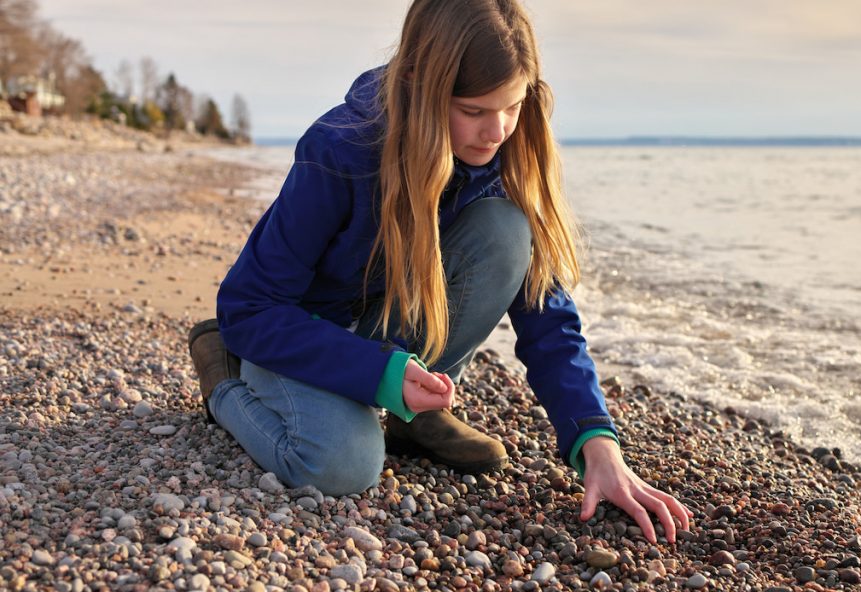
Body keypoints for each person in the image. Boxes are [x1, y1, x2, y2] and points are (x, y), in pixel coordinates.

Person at [188, 0, 692, 543]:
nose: (496, 131)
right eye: (474, 111)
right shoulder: (340, 150)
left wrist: (598, 446)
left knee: (507, 231)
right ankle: (221, 379)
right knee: (341, 467)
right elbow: (249, 307)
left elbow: (547, 315)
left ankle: (416, 420)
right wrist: (374, 371)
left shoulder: (504, 149)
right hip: (296, 335)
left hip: (386, 332)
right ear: (418, 84)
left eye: (513, 106)